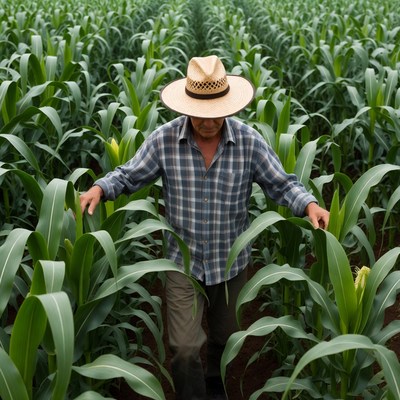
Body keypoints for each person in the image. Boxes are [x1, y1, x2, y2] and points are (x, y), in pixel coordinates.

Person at [80, 55, 330, 400]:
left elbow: (282, 184)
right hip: (183, 263)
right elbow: (128, 174)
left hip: (231, 263)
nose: (208, 122)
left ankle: (216, 386)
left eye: (216, 114)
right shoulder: (164, 140)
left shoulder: (249, 142)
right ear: (187, 105)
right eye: (200, 113)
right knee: (183, 348)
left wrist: (310, 204)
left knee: (226, 340)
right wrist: (99, 188)